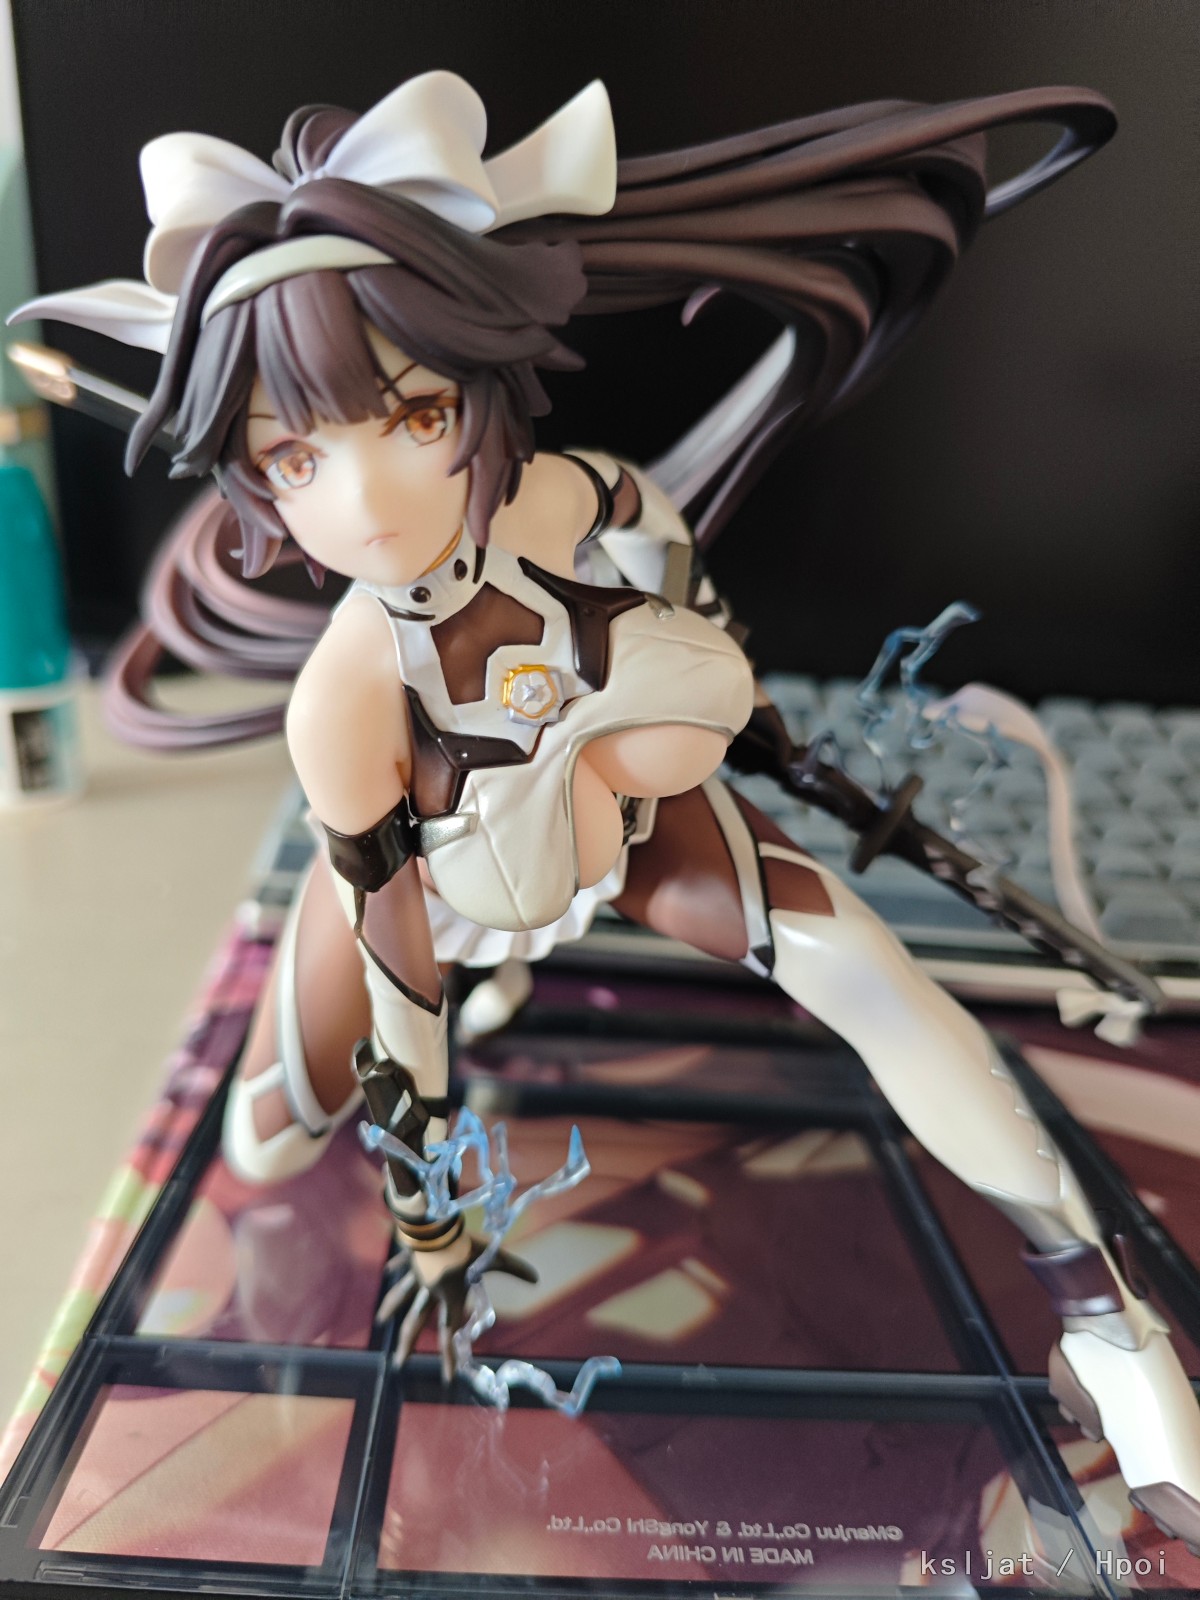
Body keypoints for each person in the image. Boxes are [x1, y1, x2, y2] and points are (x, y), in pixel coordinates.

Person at [17, 70, 1200, 1548]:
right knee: (268, 1143)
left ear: (478, 384)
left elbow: (652, 533)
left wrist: (704, 663)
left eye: (414, 412)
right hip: (438, 887)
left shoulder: (559, 496)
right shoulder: (346, 699)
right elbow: (399, 957)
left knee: (867, 968)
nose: (366, 498)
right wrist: (429, 1182)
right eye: (295, 455)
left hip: (619, 821)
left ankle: (1108, 1322)